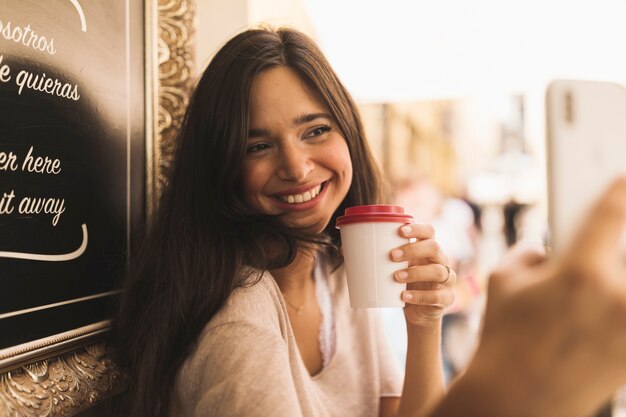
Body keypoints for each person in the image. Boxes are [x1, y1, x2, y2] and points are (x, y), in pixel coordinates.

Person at [113, 27, 456, 417]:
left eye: (316, 130)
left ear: (348, 132)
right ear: (221, 167)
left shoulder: (338, 269)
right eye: (257, 146)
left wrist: (425, 322)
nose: (296, 167)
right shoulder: (239, 320)